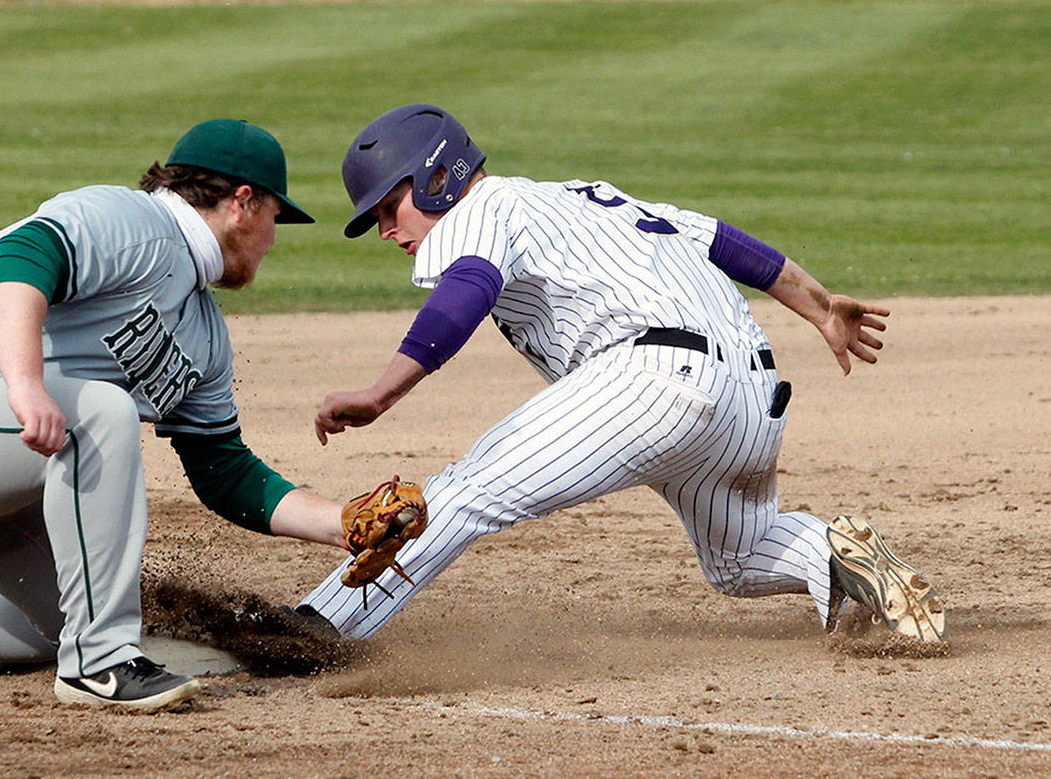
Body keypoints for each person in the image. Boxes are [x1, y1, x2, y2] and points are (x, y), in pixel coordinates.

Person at [297, 103, 946, 645]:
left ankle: (312, 633)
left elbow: (467, 288)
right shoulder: (583, 197)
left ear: (437, 175)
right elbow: (719, 240)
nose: (385, 230)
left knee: (462, 494)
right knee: (741, 559)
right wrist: (821, 306)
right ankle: (840, 556)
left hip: (652, 379)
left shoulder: (480, 213)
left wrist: (383, 392)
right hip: (750, 391)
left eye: (389, 206)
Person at [0, 119, 349, 713]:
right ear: (242, 203)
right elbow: (22, 256)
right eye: (275, 218)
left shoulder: (205, 334)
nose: (273, 240)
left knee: (70, 609)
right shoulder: (133, 221)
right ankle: (99, 666)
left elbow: (224, 472)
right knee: (100, 412)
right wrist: (25, 385)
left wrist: (342, 523)